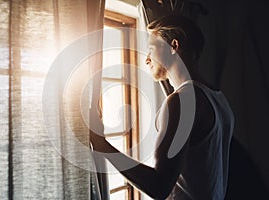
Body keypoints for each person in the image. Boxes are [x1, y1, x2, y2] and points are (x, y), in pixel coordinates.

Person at [90, 15, 234, 200]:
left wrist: (102, 145)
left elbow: (159, 186)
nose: (147, 60)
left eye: (151, 49)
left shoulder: (182, 102)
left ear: (174, 46)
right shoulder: (218, 98)